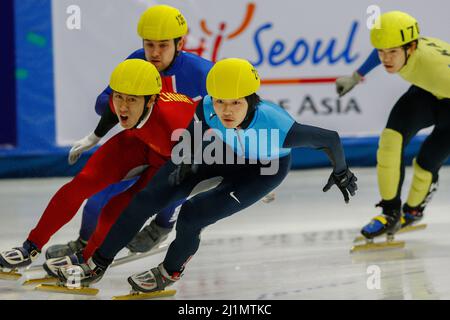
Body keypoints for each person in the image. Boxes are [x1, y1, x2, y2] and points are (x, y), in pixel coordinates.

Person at [56, 58, 358, 292]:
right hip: (222, 154)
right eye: (220, 101)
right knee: (147, 197)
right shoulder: (209, 108)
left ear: (250, 100)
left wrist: (342, 172)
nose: (226, 111)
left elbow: (330, 138)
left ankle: (169, 271)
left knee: (192, 214)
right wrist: (185, 158)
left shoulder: (278, 127)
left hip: (262, 172)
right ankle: (97, 264)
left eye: (235, 103)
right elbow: (197, 122)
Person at [45, 4, 214, 260]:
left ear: (180, 44)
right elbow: (104, 101)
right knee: (98, 199)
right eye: (149, 45)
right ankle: (83, 243)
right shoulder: (136, 61)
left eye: (163, 45)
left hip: (179, 151)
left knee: (177, 178)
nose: (155, 53)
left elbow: (241, 116)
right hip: (140, 144)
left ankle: (162, 225)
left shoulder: (202, 72)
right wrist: (118, 110)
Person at [0, 59, 198, 271]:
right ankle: (30, 246)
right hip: (141, 142)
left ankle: (86, 259)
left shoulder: (176, 122)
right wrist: (94, 137)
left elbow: (201, 162)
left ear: (151, 101)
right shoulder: (122, 101)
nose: (122, 105)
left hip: (175, 157)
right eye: (119, 96)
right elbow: (113, 111)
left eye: (131, 100)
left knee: (118, 207)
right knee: (82, 183)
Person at [335, 11, 450, 239]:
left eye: (393, 52)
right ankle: (390, 214)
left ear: (412, 48)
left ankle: (413, 210)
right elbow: (383, 49)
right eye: (382, 52)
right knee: (390, 142)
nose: (386, 58)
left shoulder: (438, 69)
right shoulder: (400, 46)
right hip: (427, 92)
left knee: (426, 163)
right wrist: (356, 77)